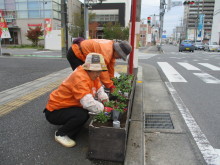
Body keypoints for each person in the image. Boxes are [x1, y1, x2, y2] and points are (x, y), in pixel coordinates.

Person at [43, 53, 109, 148]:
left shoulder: (91, 74)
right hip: (54, 111)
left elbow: (99, 88)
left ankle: (73, 126)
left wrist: (104, 98)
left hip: (66, 106)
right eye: (97, 71)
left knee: (84, 113)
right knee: (82, 115)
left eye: (100, 70)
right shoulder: (80, 78)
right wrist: (104, 109)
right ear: (88, 68)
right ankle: (61, 134)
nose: (99, 74)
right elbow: (89, 104)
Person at [66, 39, 132, 92]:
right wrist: (110, 86)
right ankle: (82, 97)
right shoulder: (106, 52)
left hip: (82, 54)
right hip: (75, 54)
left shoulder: (111, 48)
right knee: (83, 77)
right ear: (117, 51)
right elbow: (102, 72)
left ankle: (88, 94)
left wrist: (112, 81)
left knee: (91, 76)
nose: (120, 57)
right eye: (120, 55)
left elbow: (110, 68)